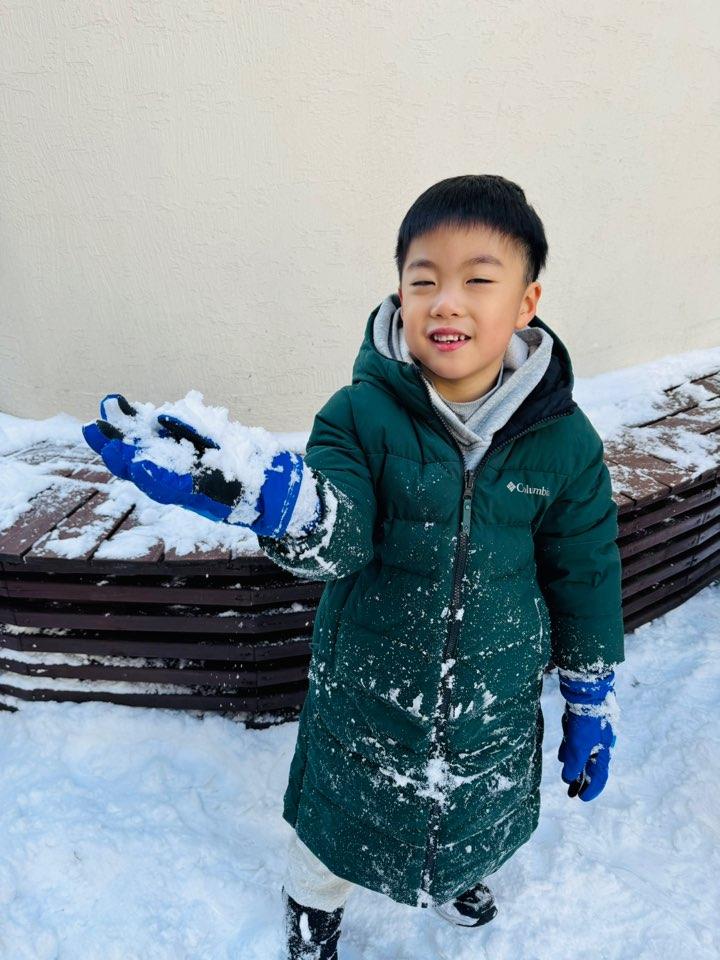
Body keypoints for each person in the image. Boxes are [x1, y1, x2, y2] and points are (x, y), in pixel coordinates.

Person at [83, 174, 624, 960]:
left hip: (493, 695)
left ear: (526, 302)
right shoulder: (357, 416)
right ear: (400, 293)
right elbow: (339, 536)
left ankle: (456, 874)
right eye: (423, 280)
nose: (446, 302)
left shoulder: (566, 443)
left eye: (478, 280)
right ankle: (314, 913)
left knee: (476, 813)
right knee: (335, 832)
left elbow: (586, 571)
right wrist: (276, 501)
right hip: (369, 693)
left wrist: (590, 692)